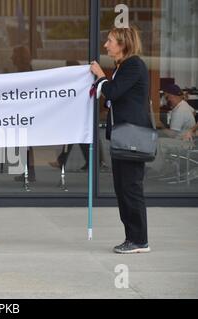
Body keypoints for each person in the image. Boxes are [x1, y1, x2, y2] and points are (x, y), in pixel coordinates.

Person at [90, 25, 151, 254]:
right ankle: (132, 238)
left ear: (122, 44)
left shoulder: (133, 64)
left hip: (131, 138)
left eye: (110, 41)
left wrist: (100, 77)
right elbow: (116, 98)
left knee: (131, 188)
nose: (106, 45)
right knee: (123, 188)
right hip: (123, 137)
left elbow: (114, 92)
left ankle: (139, 240)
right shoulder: (123, 67)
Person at [11, 45, 36, 182]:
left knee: (24, 143)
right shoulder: (26, 70)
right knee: (25, 143)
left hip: (24, 113)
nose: (11, 58)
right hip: (24, 112)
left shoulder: (24, 72)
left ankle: (28, 172)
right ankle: (28, 171)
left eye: (14, 55)